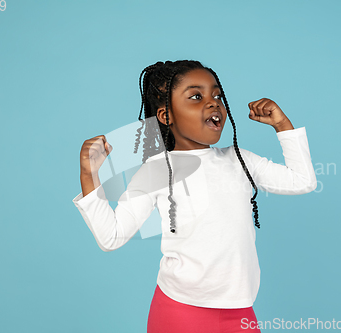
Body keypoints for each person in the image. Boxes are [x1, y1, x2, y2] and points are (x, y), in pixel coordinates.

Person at [72, 60, 317, 333]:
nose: (213, 103)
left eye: (217, 95)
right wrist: (88, 174)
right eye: (196, 97)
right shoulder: (156, 170)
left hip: (241, 310)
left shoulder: (240, 160)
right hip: (180, 311)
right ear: (166, 116)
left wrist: (283, 125)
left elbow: (302, 181)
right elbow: (112, 236)